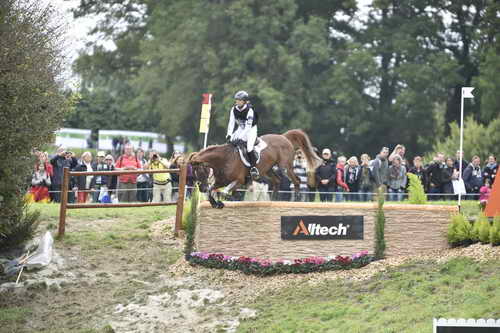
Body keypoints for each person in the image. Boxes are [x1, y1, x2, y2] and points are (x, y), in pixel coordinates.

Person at [226, 90, 259, 179]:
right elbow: (231, 123)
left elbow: (248, 128)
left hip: (251, 129)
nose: (237, 102)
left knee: (249, 148)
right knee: (230, 143)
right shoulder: (233, 109)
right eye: (236, 100)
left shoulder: (250, 110)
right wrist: (229, 134)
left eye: (240, 100)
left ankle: (253, 168)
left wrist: (240, 138)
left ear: (244, 101)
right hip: (241, 128)